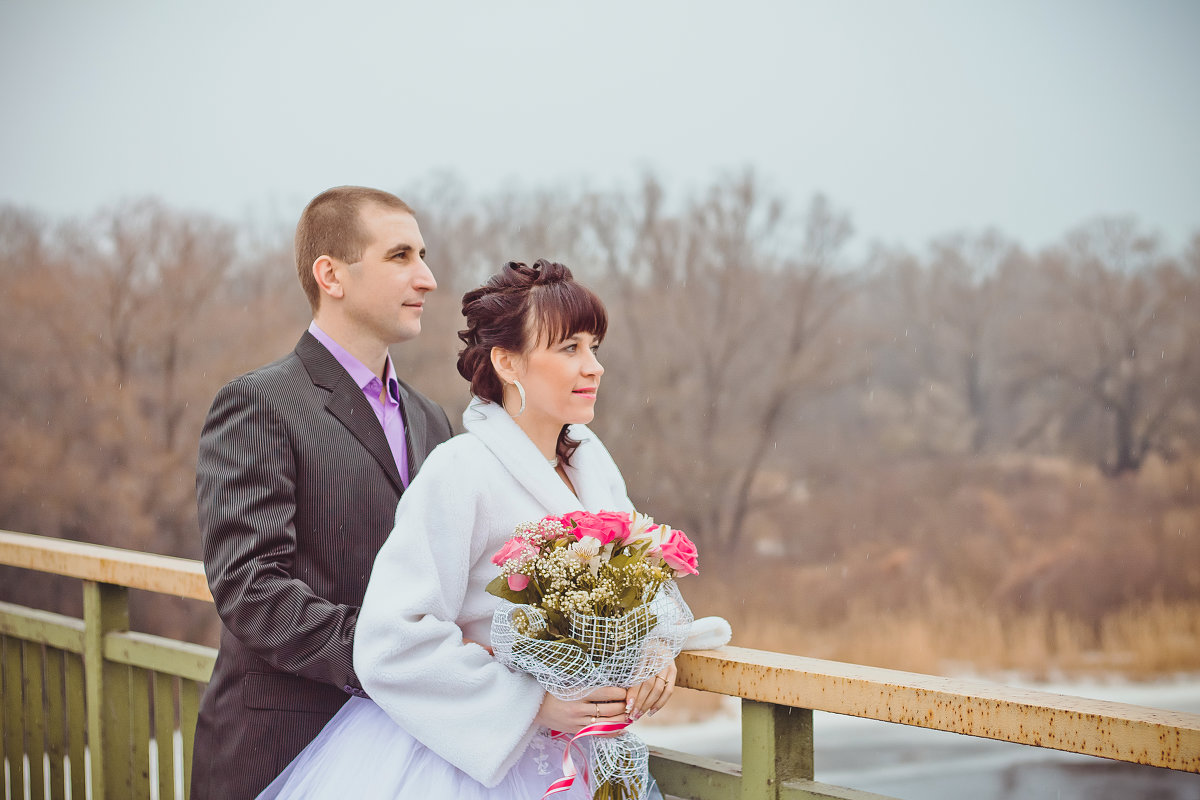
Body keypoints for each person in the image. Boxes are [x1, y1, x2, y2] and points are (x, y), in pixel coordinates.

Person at [259, 260, 730, 799]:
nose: (594, 366)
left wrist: (654, 656)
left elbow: (640, 593)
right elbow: (391, 637)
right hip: (474, 762)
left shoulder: (592, 461)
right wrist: (530, 704)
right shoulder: (460, 470)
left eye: (594, 347)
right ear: (508, 362)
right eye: (569, 348)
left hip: (590, 751)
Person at [192, 186, 454, 799]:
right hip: (283, 749)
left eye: (423, 254)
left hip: (412, 755)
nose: (428, 277)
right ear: (330, 274)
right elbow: (249, 587)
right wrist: (387, 656)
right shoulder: (258, 402)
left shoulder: (431, 419)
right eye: (400, 257)